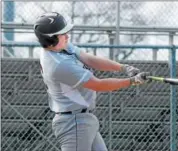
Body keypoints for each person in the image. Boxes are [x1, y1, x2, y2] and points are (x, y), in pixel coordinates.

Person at [34, 12, 150, 151]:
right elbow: (98, 85)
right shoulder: (59, 65)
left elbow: (88, 59)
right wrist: (131, 81)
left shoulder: (59, 48)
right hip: (74, 124)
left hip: (82, 119)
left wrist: (124, 68)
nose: (67, 36)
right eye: (62, 34)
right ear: (50, 39)